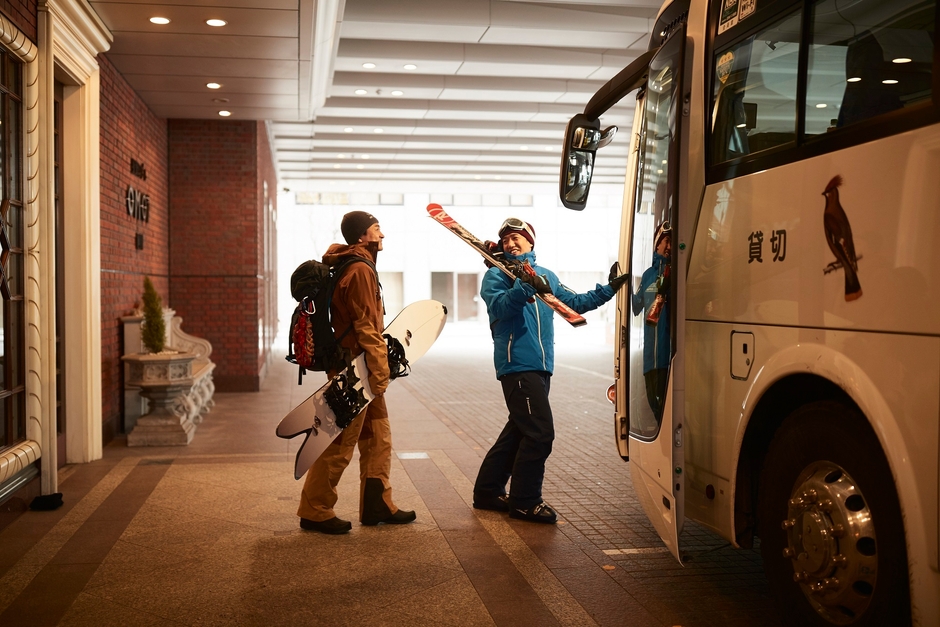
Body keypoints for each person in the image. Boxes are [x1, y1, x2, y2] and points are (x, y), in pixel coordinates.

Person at [472, 217, 629, 523]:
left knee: (519, 431)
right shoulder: (496, 275)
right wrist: (523, 286)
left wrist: (610, 289)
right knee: (540, 434)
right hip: (517, 364)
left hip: (542, 366)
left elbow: (574, 303)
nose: (511, 243)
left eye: (517, 237)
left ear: (530, 242)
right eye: (506, 240)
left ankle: (487, 491)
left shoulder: (546, 275)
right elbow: (500, 308)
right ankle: (525, 501)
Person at [297, 210, 416, 534]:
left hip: (360, 364)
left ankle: (378, 503)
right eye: (377, 228)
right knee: (339, 441)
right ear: (363, 235)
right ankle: (315, 509)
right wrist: (379, 370)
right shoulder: (360, 270)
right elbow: (366, 326)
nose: (382, 234)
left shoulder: (355, 265)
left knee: (378, 435)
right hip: (355, 369)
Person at [631, 222, 671, 420]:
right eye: (666, 241)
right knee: (654, 406)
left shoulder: (675, 273)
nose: (669, 246)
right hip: (649, 359)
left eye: (671, 242)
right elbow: (636, 306)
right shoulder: (647, 275)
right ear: (657, 244)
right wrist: (623, 285)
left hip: (667, 357)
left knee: (665, 409)